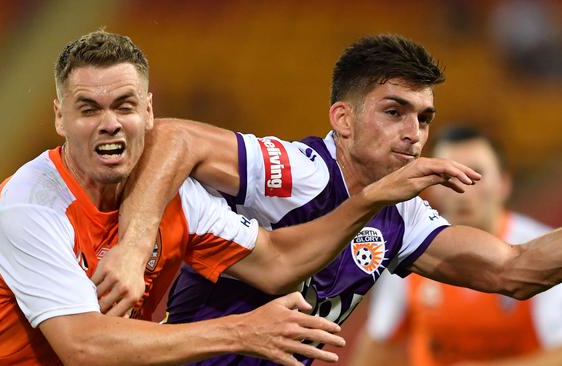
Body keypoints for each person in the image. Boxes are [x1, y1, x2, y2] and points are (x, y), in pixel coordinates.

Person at [0, 30, 478, 365]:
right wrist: (244, 331)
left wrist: (371, 198)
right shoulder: (31, 207)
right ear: (59, 118)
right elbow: (86, 346)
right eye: (88, 108)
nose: (110, 122)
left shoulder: (182, 197)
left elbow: (275, 263)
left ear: (149, 112)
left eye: (125, 105)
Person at [103, 34, 562, 365]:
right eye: (394, 111)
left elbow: (512, 269)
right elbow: (173, 136)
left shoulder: (402, 214)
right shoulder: (298, 171)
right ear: (343, 119)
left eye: (423, 119)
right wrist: (132, 248)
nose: (414, 134)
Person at [352, 126, 562, 366]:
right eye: (447, 176)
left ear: (504, 183)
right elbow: (379, 345)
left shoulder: (540, 253)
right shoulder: (411, 248)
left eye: (477, 173)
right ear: (429, 187)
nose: (463, 190)